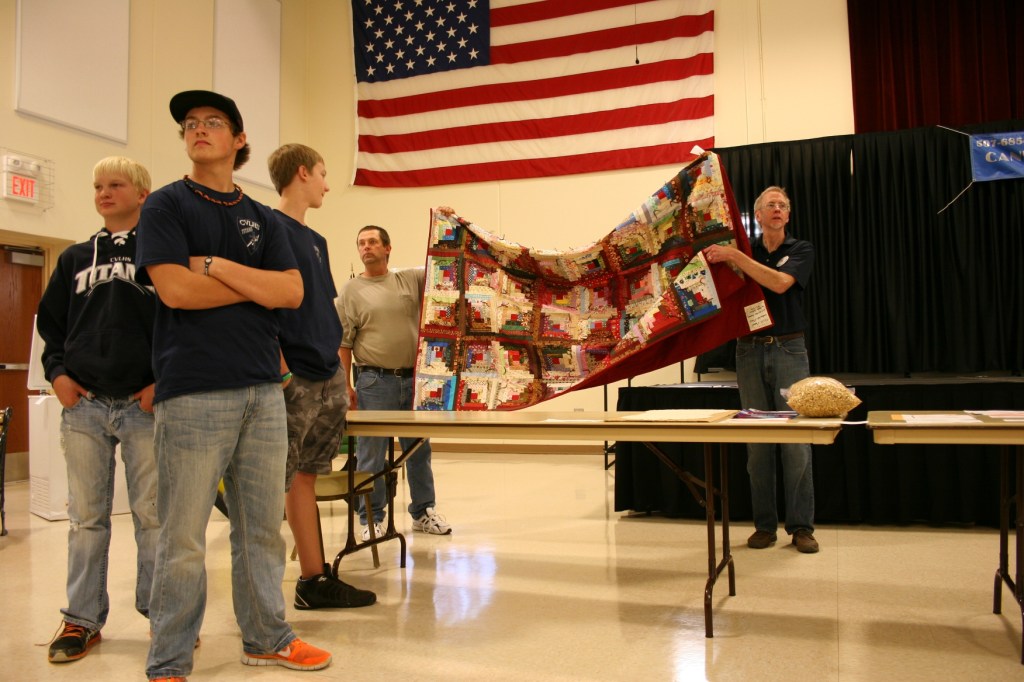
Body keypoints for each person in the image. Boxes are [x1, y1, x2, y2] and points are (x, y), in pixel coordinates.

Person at [135, 90, 331, 680]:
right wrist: (255, 285)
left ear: (238, 140)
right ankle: (169, 658)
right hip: (194, 390)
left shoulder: (263, 217)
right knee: (184, 536)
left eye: (213, 122)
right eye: (190, 124)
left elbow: (292, 293)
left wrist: (215, 266)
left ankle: (267, 636)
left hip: (263, 391)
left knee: (260, 530)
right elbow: (174, 291)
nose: (199, 129)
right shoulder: (166, 207)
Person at [36, 156, 158, 663]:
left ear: (142, 195)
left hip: (145, 405)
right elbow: (52, 323)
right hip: (84, 406)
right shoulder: (73, 258)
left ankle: (162, 616)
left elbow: (182, 322)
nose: (105, 193)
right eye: (98, 186)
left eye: (116, 185)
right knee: (87, 518)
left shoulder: (162, 254)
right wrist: (58, 374)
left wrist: (162, 380)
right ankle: (82, 619)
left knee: (154, 517)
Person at [268, 143, 376, 609]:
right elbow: (264, 305)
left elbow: (320, 307)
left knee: (309, 473)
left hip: (326, 371)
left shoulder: (317, 241)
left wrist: (338, 370)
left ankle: (315, 578)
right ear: (302, 172)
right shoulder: (269, 229)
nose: (328, 185)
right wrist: (282, 371)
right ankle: (307, 577)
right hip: (296, 376)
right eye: (324, 174)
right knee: (291, 476)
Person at [702, 186, 819, 554]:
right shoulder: (745, 253)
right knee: (757, 444)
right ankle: (765, 527)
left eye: (784, 204)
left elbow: (780, 284)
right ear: (759, 214)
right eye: (772, 204)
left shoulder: (800, 250)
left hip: (789, 350)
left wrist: (737, 256)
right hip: (749, 351)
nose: (779, 208)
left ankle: (801, 527)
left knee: (796, 443)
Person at [336, 226, 452, 540]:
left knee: (418, 449)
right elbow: (344, 344)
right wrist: (345, 385)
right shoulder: (350, 291)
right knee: (371, 453)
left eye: (373, 241)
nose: (366, 247)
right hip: (374, 381)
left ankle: (423, 512)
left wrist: (449, 225)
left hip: (414, 379)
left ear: (388, 248)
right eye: (361, 243)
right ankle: (371, 518)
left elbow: (445, 263)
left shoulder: (408, 279)